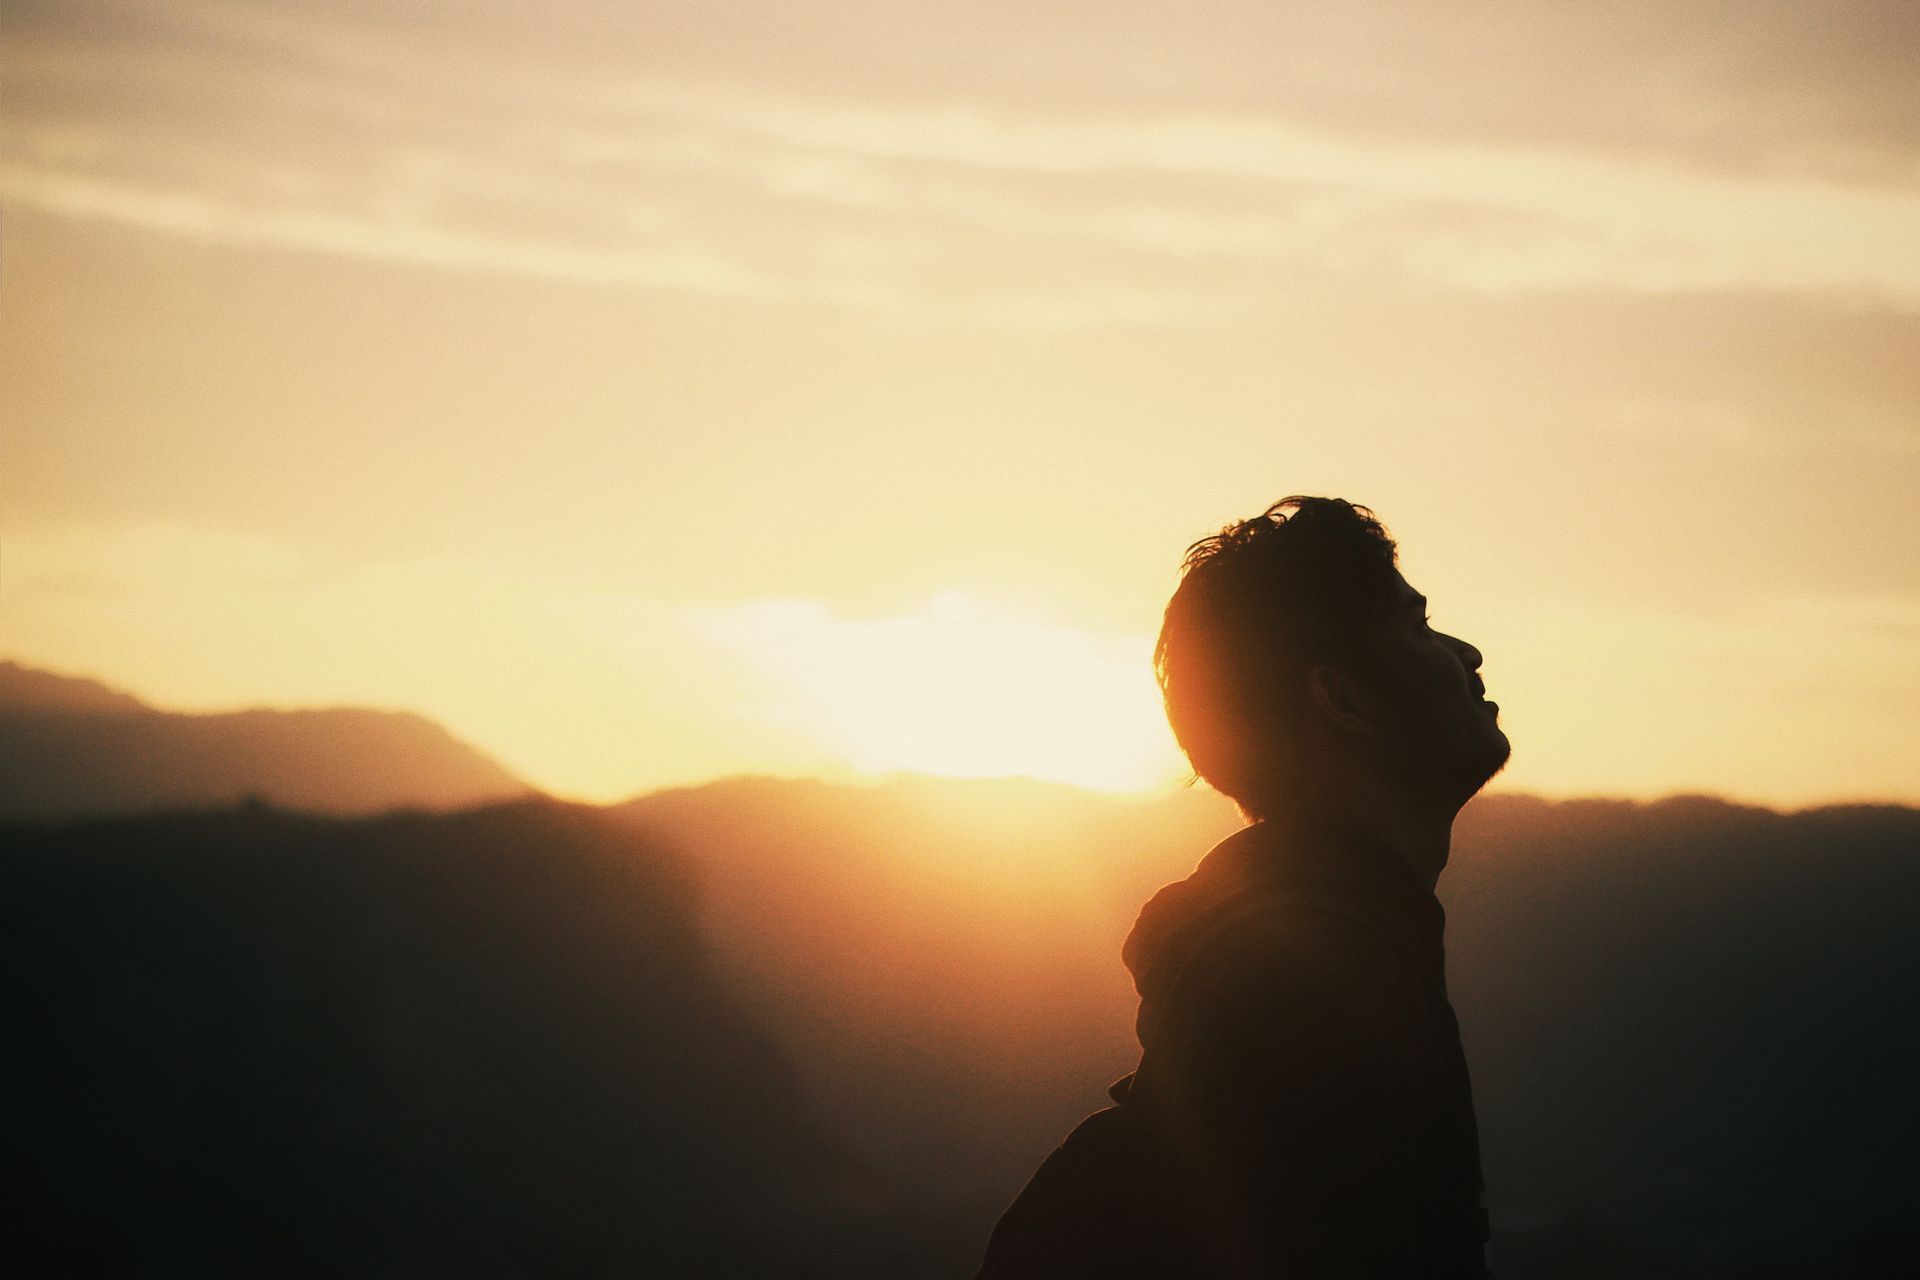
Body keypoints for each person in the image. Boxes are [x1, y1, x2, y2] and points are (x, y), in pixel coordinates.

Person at [975, 496, 1508, 1278]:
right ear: (1342, 698)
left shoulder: (1280, 968)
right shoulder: (1318, 998)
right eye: (1418, 626)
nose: (1468, 652)